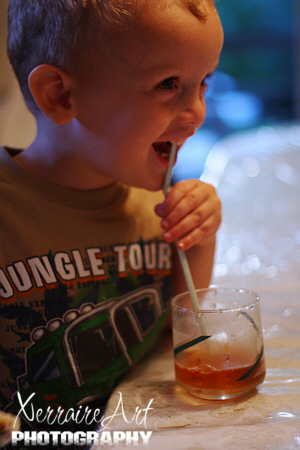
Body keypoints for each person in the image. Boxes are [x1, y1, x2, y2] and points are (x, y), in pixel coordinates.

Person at [0, 0, 223, 436]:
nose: (198, 112)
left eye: (204, 83)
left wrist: (198, 237)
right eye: (168, 84)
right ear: (61, 95)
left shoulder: (156, 206)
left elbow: (176, 341)